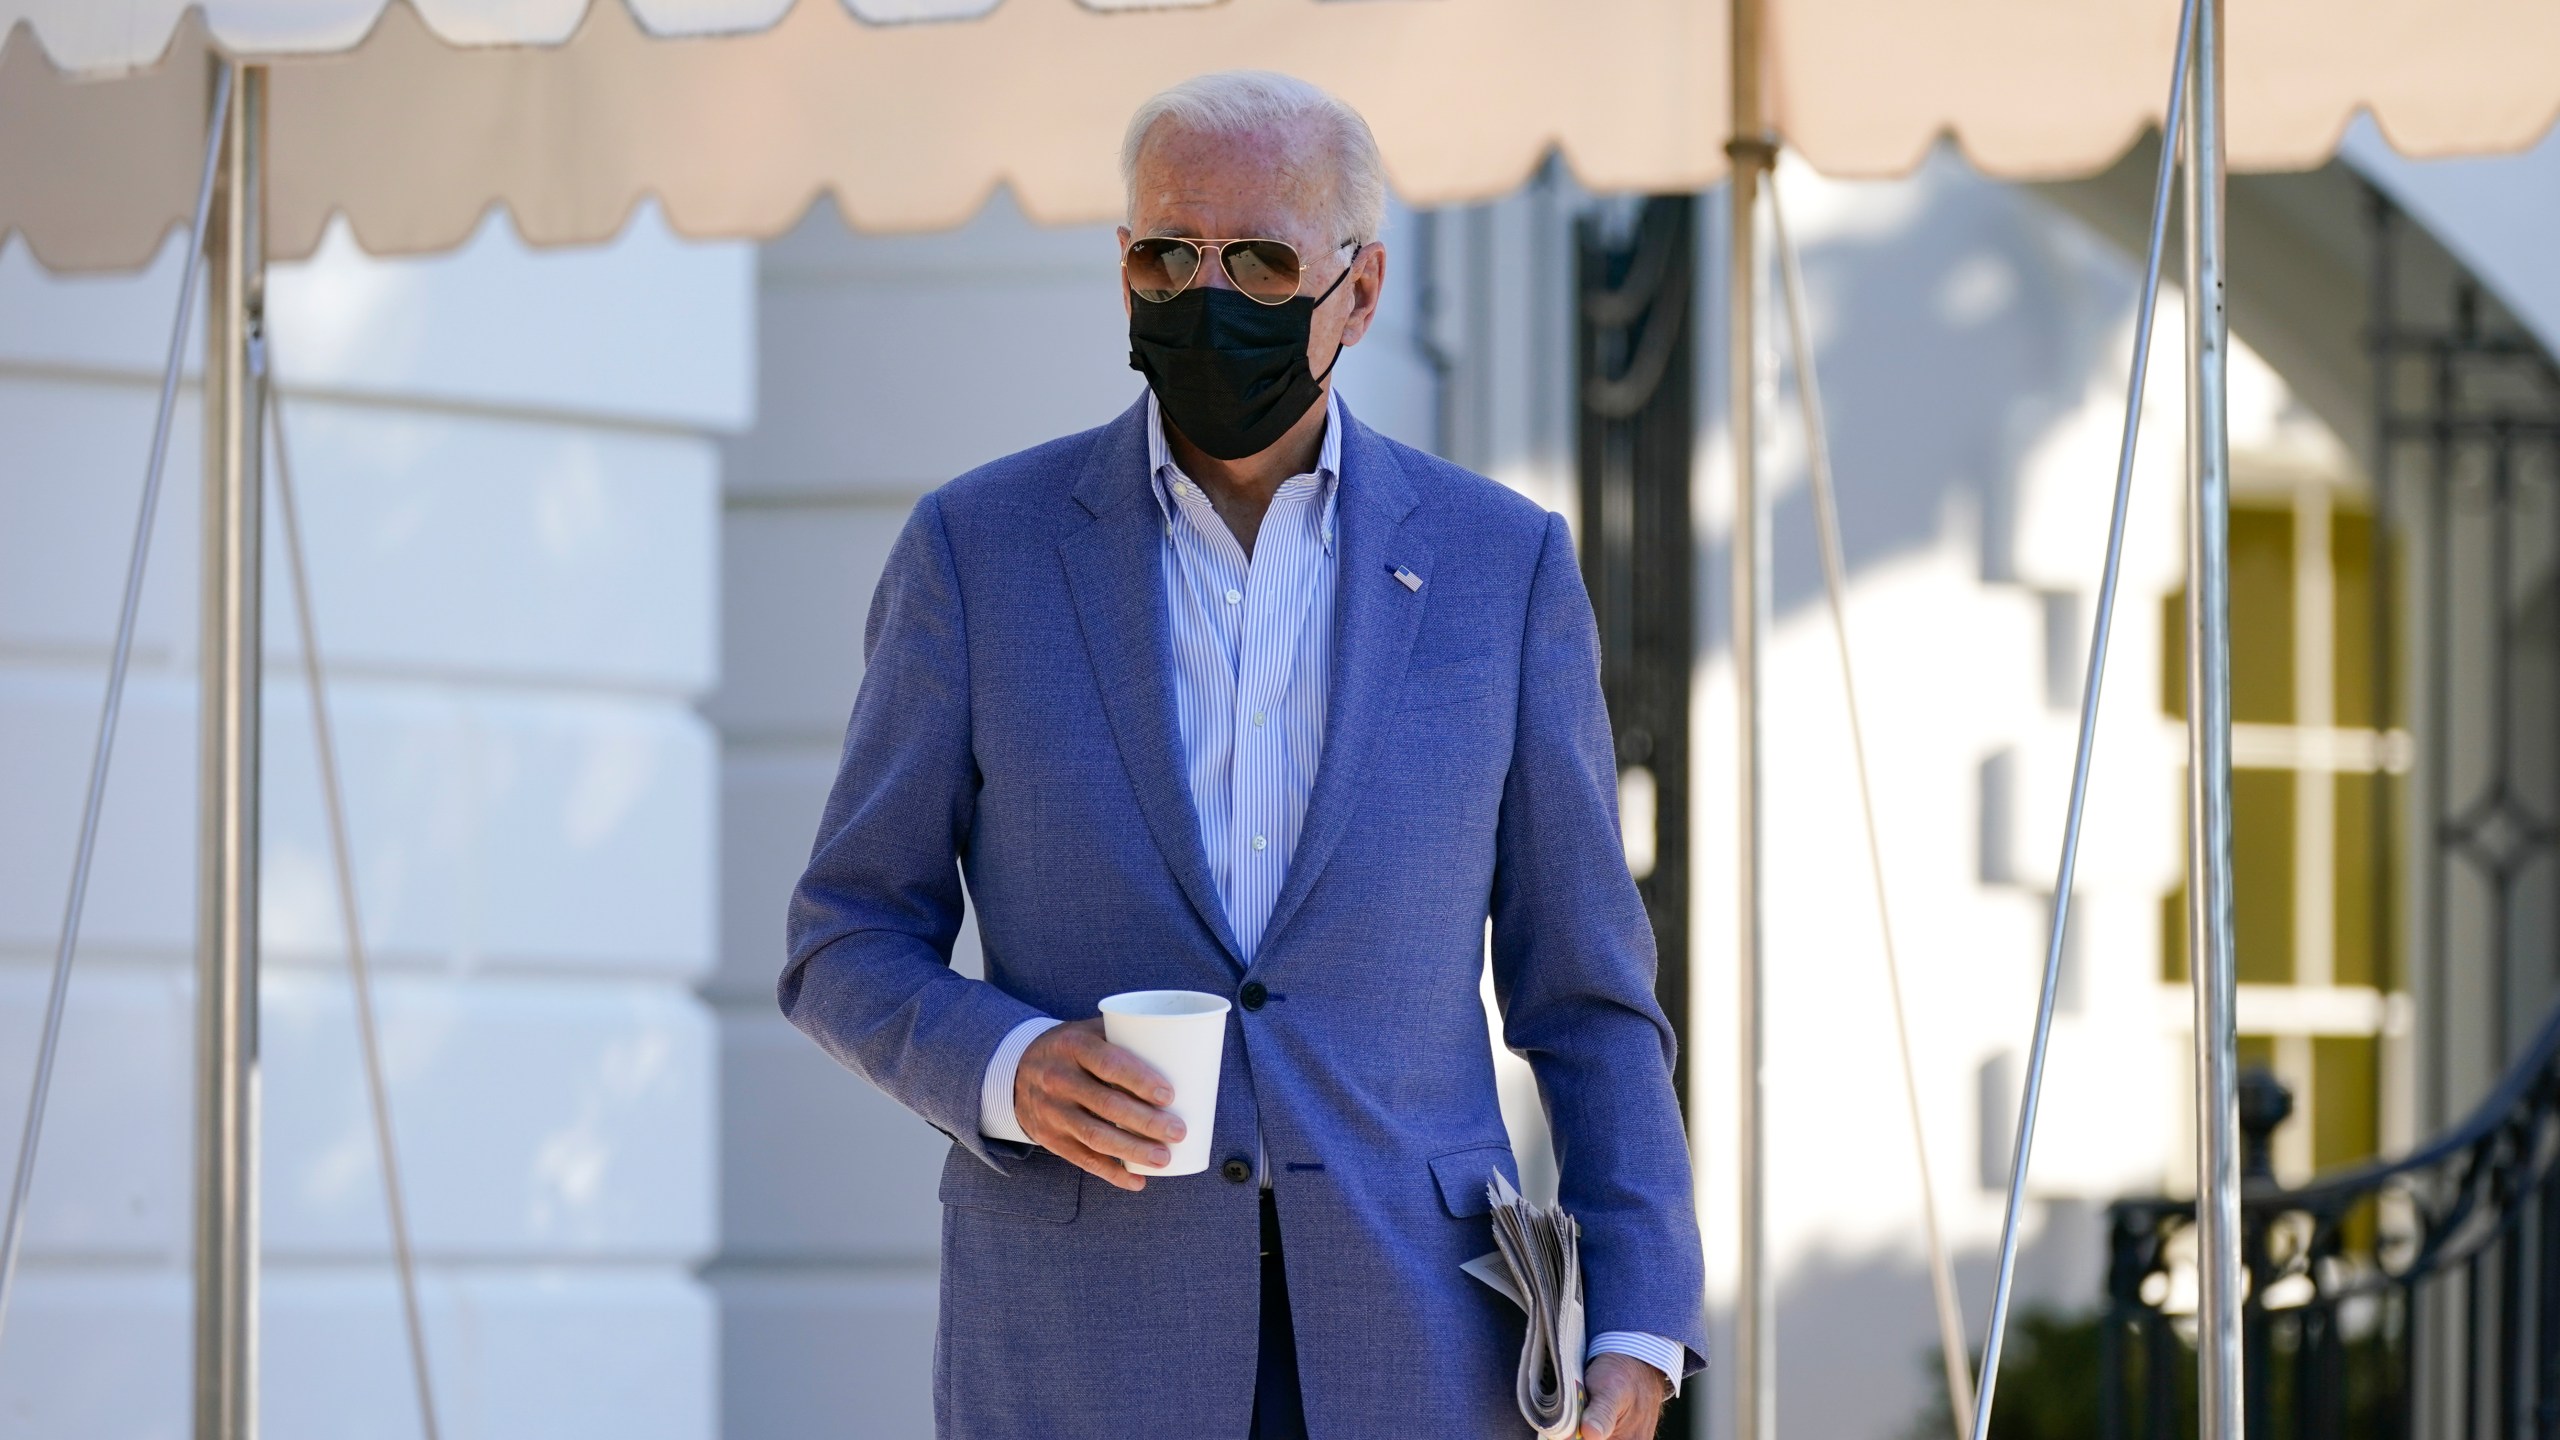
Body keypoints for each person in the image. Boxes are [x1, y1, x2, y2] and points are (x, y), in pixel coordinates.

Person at [782, 70, 1705, 1439]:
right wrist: (1008, 1064)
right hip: (1085, 1348)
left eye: (1261, 260)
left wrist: (1639, 1314)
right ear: (1124, 268)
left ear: (1363, 290)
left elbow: (1586, 990)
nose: (1205, 294)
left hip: (1423, 1341)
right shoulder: (977, 553)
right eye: (1168, 253)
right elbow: (843, 939)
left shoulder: (1498, 567)